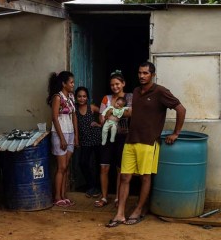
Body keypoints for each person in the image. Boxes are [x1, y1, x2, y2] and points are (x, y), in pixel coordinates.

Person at [107, 61, 186, 227]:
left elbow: (181, 109)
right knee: (125, 177)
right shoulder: (136, 91)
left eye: (145, 73)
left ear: (152, 74)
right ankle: (120, 213)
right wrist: (117, 113)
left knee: (145, 177)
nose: (142, 76)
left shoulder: (161, 92)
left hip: (148, 142)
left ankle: (138, 210)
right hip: (131, 140)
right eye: (140, 73)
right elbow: (137, 112)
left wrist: (176, 133)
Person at [94, 71, 133, 208]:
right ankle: (104, 197)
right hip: (107, 136)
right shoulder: (107, 98)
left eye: (117, 84)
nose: (115, 87)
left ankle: (118, 198)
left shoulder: (130, 97)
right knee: (104, 167)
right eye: (112, 85)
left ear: (123, 84)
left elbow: (131, 113)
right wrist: (117, 113)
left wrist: (111, 112)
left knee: (119, 169)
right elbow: (101, 117)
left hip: (123, 137)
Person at [46, 71, 79, 207]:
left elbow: (74, 116)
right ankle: (57, 197)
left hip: (70, 132)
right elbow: (54, 118)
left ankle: (64, 195)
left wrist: (76, 135)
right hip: (60, 134)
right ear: (63, 84)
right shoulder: (57, 97)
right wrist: (62, 138)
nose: (73, 84)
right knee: (62, 167)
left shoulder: (70, 97)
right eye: (71, 82)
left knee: (66, 167)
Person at [75, 87, 102, 198]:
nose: (82, 98)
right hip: (85, 140)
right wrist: (76, 138)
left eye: (84, 96)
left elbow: (106, 113)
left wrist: (100, 124)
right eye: (79, 96)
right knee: (83, 163)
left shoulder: (91, 108)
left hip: (96, 138)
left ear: (87, 97)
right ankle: (92, 186)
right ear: (76, 97)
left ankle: (98, 188)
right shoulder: (74, 109)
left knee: (98, 164)